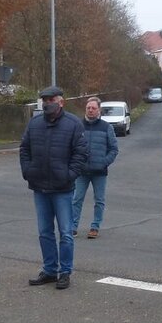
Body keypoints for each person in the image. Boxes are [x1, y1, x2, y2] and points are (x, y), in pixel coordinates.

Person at [20, 85, 87, 289]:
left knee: (66, 232)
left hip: (63, 188)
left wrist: (69, 175)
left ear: (61, 102)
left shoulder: (73, 124)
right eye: (45, 100)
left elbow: (81, 154)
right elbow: (25, 149)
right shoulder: (34, 124)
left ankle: (65, 272)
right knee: (44, 232)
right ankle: (50, 270)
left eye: (51, 100)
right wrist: (28, 171)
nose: (48, 103)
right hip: (39, 186)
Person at [72, 96, 119, 239]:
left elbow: (113, 149)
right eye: (88, 108)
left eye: (93, 108)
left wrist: (104, 162)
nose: (90, 110)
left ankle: (95, 227)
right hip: (81, 171)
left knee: (99, 200)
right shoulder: (78, 126)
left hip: (99, 172)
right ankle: (72, 227)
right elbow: (72, 146)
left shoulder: (107, 127)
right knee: (76, 199)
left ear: (99, 110)